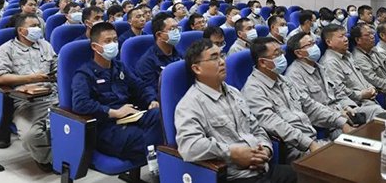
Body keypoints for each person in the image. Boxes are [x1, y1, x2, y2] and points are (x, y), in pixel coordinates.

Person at [176, 39, 297, 183]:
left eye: (222, 55)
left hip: (262, 168)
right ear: (197, 69)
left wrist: (265, 149)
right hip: (236, 176)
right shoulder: (190, 104)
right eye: (214, 58)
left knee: (304, 174)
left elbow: (256, 128)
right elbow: (189, 146)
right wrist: (233, 153)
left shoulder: (234, 93)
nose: (222, 62)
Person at [243, 37, 351, 162]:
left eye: (281, 52)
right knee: (344, 160)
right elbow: (277, 125)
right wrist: (310, 144)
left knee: (354, 149)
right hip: (295, 149)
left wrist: (340, 121)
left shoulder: (283, 80)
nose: (282, 57)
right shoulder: (253, 90)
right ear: (262, 62)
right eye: (277, 54)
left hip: (312, 140)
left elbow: (310, 106)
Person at [72, 22, 162, 166]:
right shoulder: (84, 74)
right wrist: (113, 112)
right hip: (107, 128)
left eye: (115, 40)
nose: (113, 44)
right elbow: (80, 104)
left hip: (131, 116)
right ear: (95, 46)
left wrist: (151, 100)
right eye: (107, 41)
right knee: (148, 139)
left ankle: (156, 161)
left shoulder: (119, 67)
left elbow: (140, 86)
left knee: (160, 116)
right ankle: (157, 164)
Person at [0, 14, 57, 172]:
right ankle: (48, 159)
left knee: (77, 123)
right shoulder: (6, 50)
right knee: (31, 135)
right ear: (21, 30)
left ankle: (69, 155)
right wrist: (30, 79)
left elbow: (57, 68)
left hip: (53, 94)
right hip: (26, 101)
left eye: (38, 25)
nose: (38, 29)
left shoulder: (45, 45)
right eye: (33, 26)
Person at [285, 31, 383, 129]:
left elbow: (338, 92)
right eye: (309, 45)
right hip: (328, 122)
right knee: (360, 132)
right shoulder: (294, 75)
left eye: (314, 43)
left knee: (376, 111)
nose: (314, 47)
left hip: (342, 110)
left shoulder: (319, 67)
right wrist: (338, 116)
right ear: (298, 53)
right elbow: (310, 107)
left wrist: (348, 107)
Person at [319, 24, 384, 113]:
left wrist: (371, 88)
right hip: (355, 106)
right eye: (341, 37)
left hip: (369, 100)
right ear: (329, 42)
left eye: (345, 35)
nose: (346, 39)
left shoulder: (348, 55)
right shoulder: (330, 63)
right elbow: (339, 92)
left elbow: (362, 78)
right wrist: (361, 94)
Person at [350, 23, 386, 109]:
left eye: (372, 33)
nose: (372, 36)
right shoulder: (359, 58)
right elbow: (373, 80)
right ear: (358, 40)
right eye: (368, 35)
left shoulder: (374, 50)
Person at [135, 13, 182, 95]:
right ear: (159, 35)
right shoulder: (146, 63)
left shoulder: (180, 55)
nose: (177, 32)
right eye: (172, 29)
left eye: (177, 28)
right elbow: (152, 93)